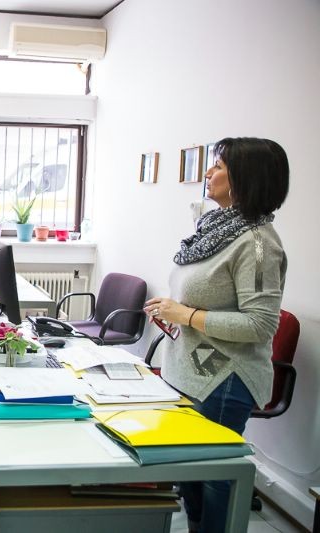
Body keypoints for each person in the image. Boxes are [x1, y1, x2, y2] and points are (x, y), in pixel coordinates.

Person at [144, 137, 289, 533]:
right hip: (188, 370)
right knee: (190, 475)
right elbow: (206, 298)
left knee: (214, 479)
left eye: (219, 166)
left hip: (223, 379)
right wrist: (172, 310)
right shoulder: (216, 228)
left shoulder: (258, 244)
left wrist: (186, 314)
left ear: (247, 177)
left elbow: (260, 325)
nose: (208, 173)